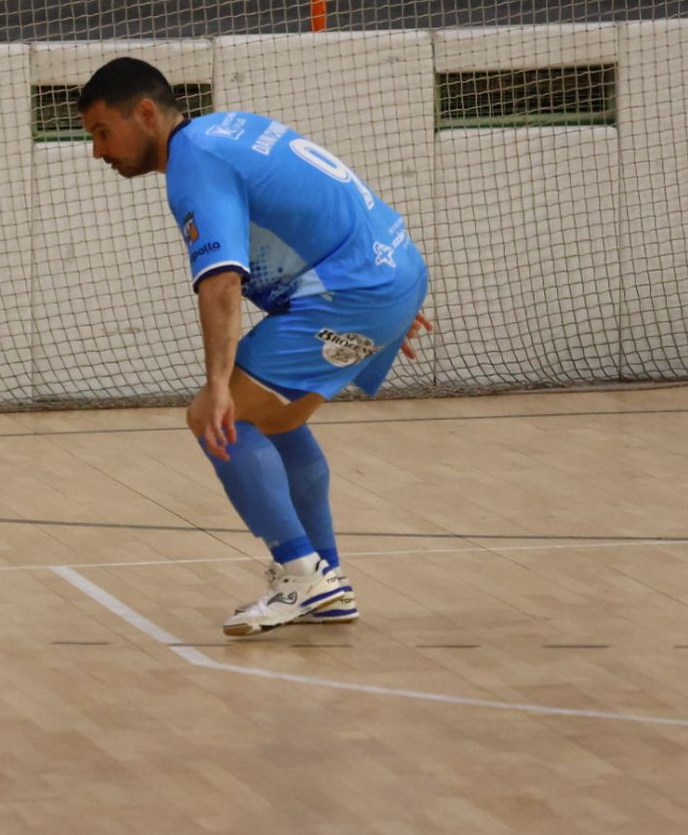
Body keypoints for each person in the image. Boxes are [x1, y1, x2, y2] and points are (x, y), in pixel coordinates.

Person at [77, 57, 431, 636]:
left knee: (217, 419)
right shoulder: (229, 127)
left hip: (352, 290)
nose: (98, 151)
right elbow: (330, 191)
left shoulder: (194, 162)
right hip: (388, 270)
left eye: (100, 132)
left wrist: (217, 387)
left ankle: (300, 575)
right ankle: (325, 579)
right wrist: (391, 295)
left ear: (145, 113)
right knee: (280, 419)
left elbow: (220, 279)